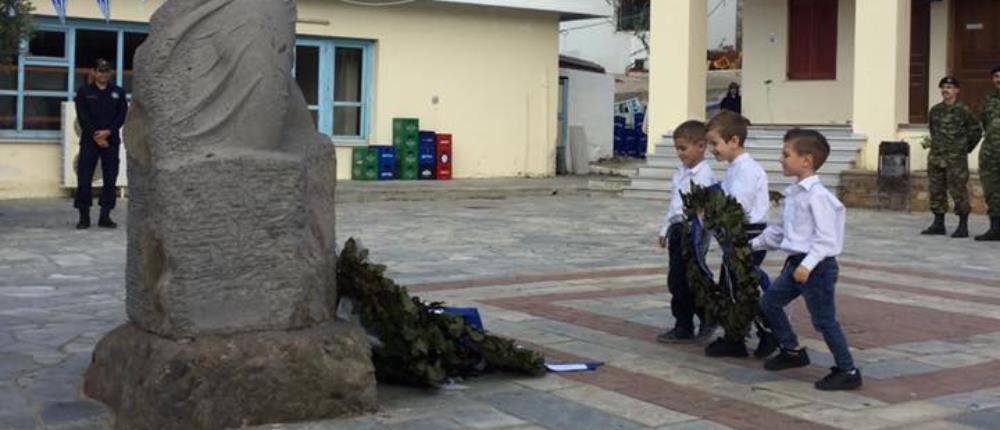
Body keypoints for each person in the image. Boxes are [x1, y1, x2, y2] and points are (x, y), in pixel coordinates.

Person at [753, 129, 862, 391]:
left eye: (786, 154)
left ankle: (847, 369)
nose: (781, 159)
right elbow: (781, 231)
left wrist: (808, 264)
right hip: (796, 265)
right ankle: (792, 350)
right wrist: (752, 245)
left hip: (816, 268)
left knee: (824, 321)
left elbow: (827, 238)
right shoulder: (794, 194)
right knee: (769, 303)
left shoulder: (819, 197)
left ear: (806, 160)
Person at [703, 110, 777, 358]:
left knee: (744, 286)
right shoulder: (735, 167)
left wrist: (713, 210)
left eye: (715, 143)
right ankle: (735, 337)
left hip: (748, 234)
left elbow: (737, 207)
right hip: (735, 233)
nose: (712, 149)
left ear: (733, 141)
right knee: (730, 286)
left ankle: (770, 332)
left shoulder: (746, 169)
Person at [656, 120, 717, 343]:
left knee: (692, 278)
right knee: (676, 280)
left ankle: (707, 317)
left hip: (694, 231)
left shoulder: (705, 176)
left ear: (701, 146)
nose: (680, 154)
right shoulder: (681, 172)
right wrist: (665, 228)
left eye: (683, 148)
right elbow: (674, 204)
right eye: (677, 149)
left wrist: (697, 233)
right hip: (677, 229)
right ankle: (683, 324)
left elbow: (705, 210)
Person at [921, 76, 982, 238]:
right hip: (936, 157)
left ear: (956, 90)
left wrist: (964, 148)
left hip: (956, 160)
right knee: (936, 190)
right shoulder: (935, 110)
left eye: (949, 87)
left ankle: (963, 225)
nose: (945, 90)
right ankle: (938, 223)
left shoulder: (963, 110)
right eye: (943, 87)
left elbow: (976, 131)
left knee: (958, 191)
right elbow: (933, 131)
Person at [74, 58, 128, 229]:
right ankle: (84, 216)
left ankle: (105, 215)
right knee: (84, 178)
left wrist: (108, 132)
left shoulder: (118, 92)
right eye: (99, 71)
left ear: (109, 73)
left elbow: (122, 115)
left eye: (105, 71)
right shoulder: (84, 92)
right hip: (90, 140)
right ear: (93, 73)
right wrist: (97, 136)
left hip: (111, 141)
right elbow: (83, 117)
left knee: (110, 178)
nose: (102, 74)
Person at [976, 66, 1000, 241]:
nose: (999, 79)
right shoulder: (988, 100)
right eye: (996, 76)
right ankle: (995, 228)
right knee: (991, 190)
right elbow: (983, 124)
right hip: (991, 153)